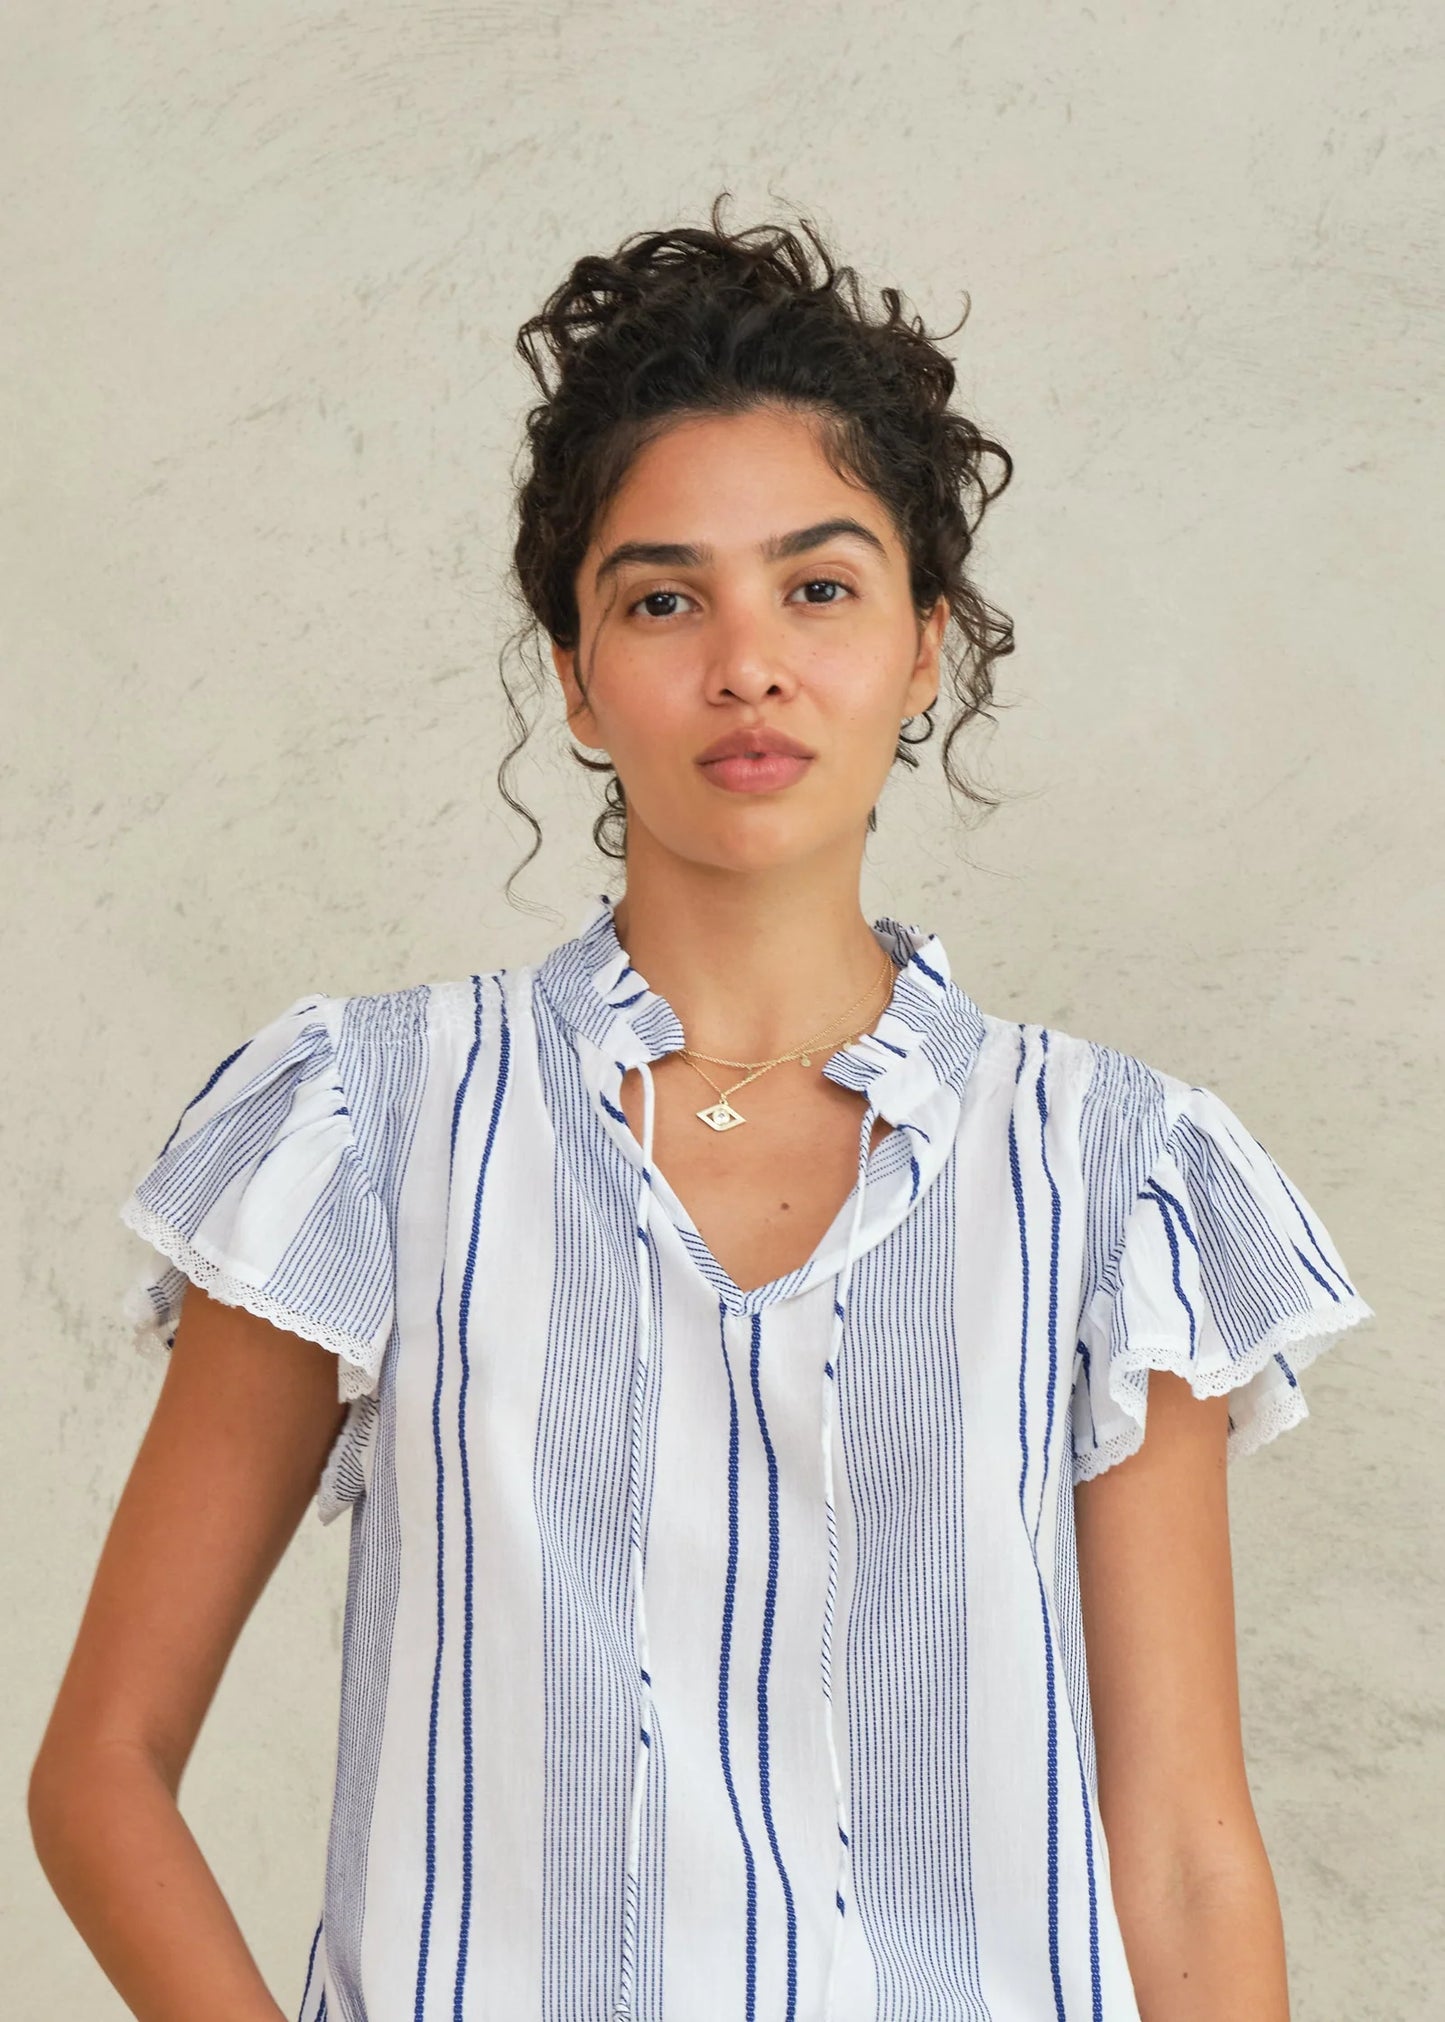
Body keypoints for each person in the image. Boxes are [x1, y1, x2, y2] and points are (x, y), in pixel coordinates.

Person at [30, 196, 1375, 2022]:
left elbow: (1187, 1857)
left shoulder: (1111, 1174)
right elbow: (102, 1767)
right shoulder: (371, 1128)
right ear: (577, 680)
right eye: (663, 597)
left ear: (923, 645)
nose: (745, 660)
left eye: (817, 586)